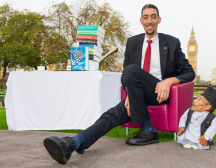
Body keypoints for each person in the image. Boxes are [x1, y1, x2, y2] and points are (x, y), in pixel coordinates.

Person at [43, 4, 195, 164]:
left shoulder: (171, 43)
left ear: (159, 20)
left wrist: (169, 81)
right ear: (141, 21)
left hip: (159, 93)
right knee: (111, 115)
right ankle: (72, 144)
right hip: (137, 95)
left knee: (132, 70)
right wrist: (130, 94)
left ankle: (148, 129)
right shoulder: (132, 43)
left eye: (153, 17)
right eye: (146, 17)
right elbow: (125, 77)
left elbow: (189, 72)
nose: (149, 21)